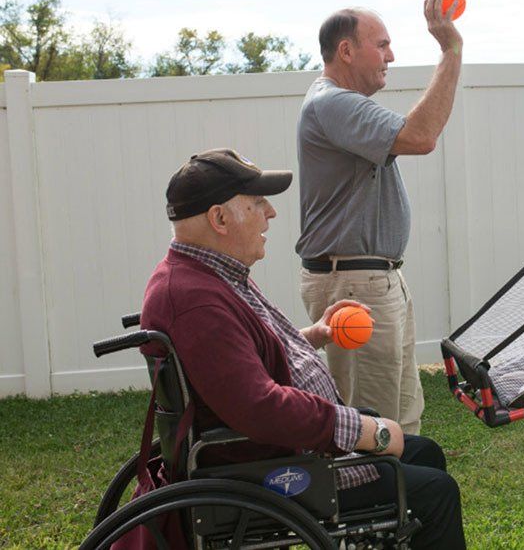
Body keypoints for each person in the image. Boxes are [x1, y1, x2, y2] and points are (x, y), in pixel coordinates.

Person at [143, 148, 465, 549]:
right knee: (435, 493)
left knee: (425, 453)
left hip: (283, 448)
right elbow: (257, 406)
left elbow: (239, 356)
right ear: (219, 218)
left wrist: (313, 335)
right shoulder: (195, 300)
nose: (271, 213)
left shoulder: (205, 275)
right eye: (258, 203)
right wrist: (365, 431)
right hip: (274, 465)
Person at [295, 0, 463, 435]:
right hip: (354, 284)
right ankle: (365, 502)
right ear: (346, 51)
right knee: (369, 426)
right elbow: (422, 135)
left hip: (373, 277)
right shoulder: (331, 103)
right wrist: (450, 50)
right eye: (382, 44)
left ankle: (402, 501)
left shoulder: (339, 105)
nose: (392, 55)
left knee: (403, 418)